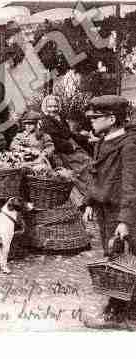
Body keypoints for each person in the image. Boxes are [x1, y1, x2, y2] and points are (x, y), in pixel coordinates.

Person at [82, 95, 136, 328]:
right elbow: (97, 176)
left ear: (112, 119)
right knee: (114, 257)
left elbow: (130, 185)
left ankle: (116, 313)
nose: (91, 122)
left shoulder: (129, 145)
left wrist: (125, 220)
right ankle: (127, 312)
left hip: (121, 213)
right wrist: (89, 202)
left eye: (96, 118)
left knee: (121, 261)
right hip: (105, 210)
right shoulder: (103, 141)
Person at [39, 94, 93, 206]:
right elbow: (53, 139)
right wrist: (70, 146)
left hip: (70, 144)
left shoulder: (60, 118)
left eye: (55, 106)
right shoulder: (46, 121)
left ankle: (92, 192)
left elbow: (69, 133)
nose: (53, 109)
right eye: (50, 107)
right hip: (62, 149)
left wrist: (83, 137)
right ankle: (87, 195)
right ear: (45, 107)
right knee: (83, 166)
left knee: (89, 161)